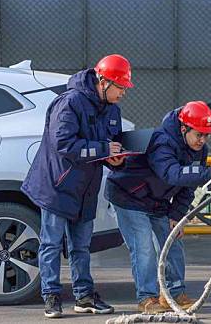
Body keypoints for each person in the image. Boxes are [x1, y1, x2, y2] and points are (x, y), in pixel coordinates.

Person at [22, 54, 133, 318]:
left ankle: (84, 297)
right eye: (120, 87)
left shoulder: (111, 109)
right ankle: (51, 296)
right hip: (57, 185)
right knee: (50, 243)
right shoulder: (69, 103)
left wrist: (116, 160)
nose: (123, 93)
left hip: (85, 188)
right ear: (104, 82)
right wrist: (103, 149)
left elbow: (109, 146)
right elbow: (64, 145)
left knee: (81, 246)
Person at [105, 101, 211, 314]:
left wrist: (177, 215)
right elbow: (171, 174)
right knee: (144, 246)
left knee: (172, 243)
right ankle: (147, 299)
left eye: (206, 135)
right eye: (199, 134)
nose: (203, 140)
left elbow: (187, 185)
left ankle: (174, 294)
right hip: (129, 198)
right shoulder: (161, 142)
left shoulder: (198, 150)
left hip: (157, 201)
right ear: (184, 129)